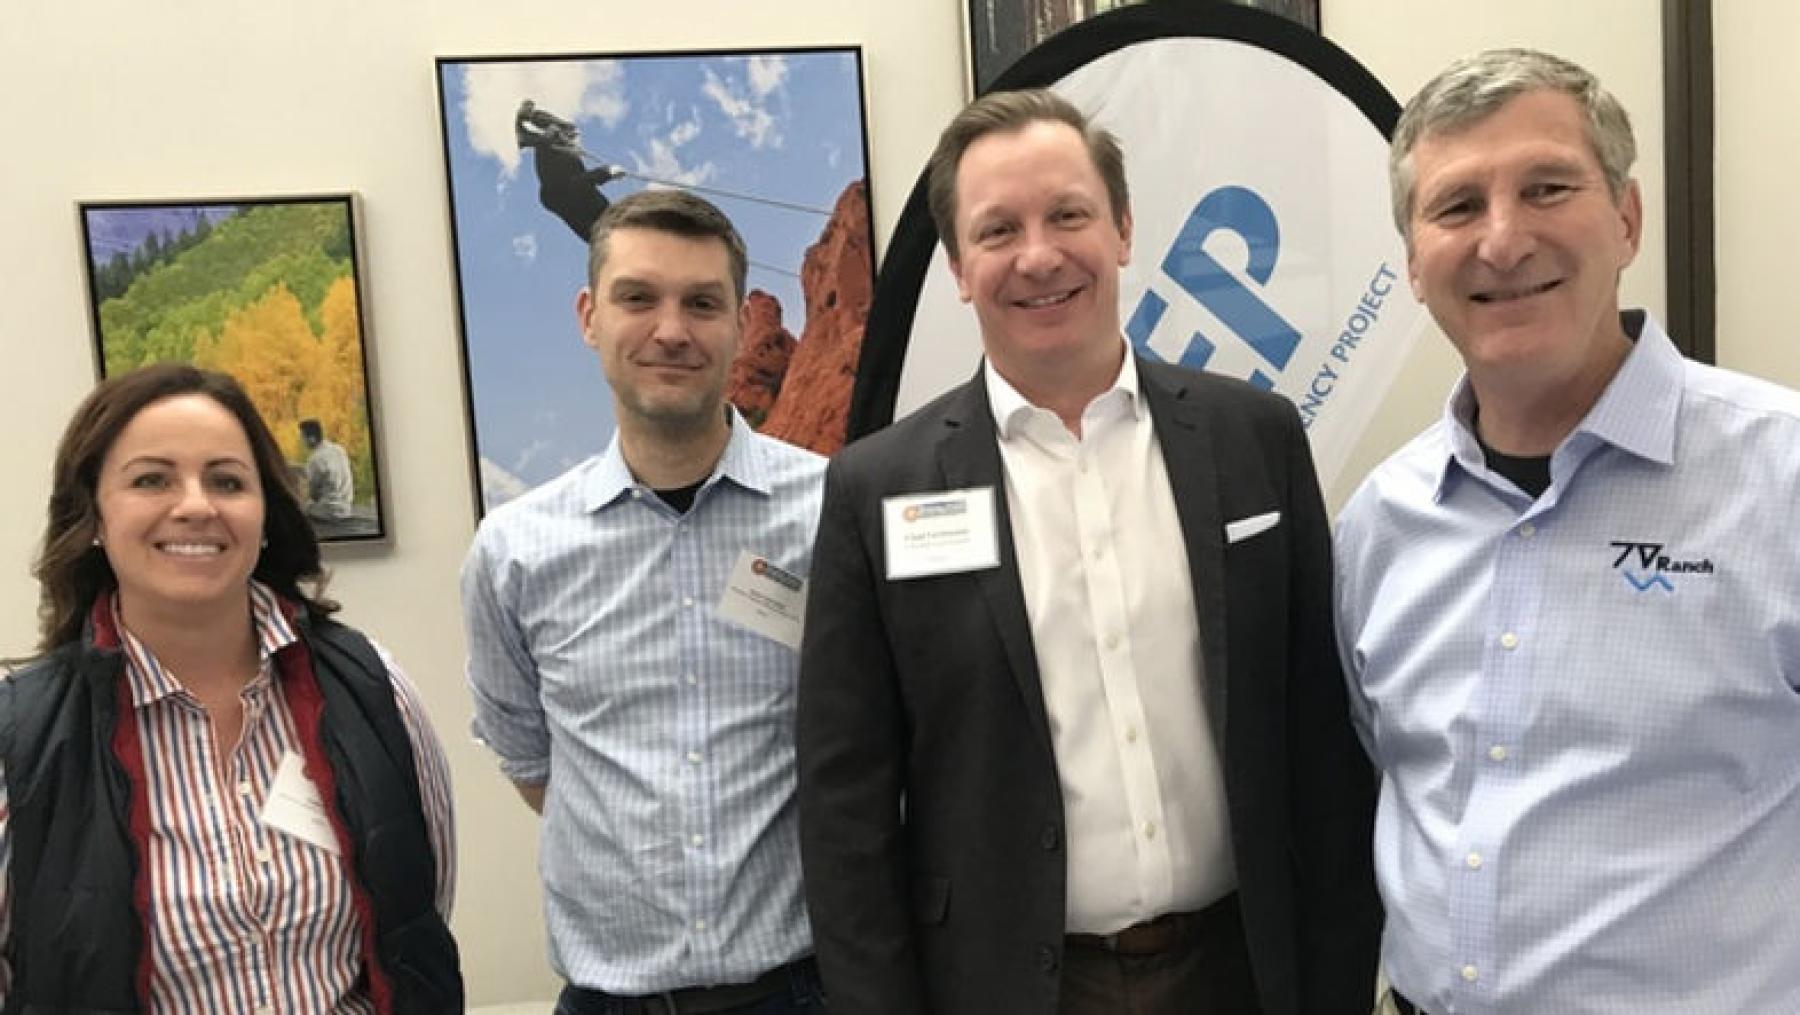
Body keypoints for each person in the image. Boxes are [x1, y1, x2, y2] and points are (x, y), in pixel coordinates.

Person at [796, 88, 1380, 1014]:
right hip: (1002, 986)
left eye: (1069, 214)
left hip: (1242, 971)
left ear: (1123, 228)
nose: (1039, 256)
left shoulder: (1254, 439)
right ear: (957, 266)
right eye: (998, 230)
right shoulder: (879, 488)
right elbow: (844, 810)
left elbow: (1323, 740)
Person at [1335, 48, 1800, 1013]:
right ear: (1414, 263)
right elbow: (1388, 777)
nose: (1503, 240)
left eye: (1547, 188)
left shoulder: (1782, 477)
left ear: (1626, 219)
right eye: (1458, 207)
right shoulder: (1379, 523)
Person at [461, 188, 829, 1013]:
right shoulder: (515, 552)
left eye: (702, 302)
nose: (671, 329)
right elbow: (532, 761)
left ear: (740, 321)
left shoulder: (831, 513)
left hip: (802, 992)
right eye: (638, 298)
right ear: (590, 315)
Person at [2, 363, 460, 1012]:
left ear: (266, 513)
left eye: (226, 480)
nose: (195, 504)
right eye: (152, 478)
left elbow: (417, 914)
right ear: (95, 517)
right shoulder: (21, 741)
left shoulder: (373, 688)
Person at [517, 99, 628, 243]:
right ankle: (530, 133)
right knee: (563, 134)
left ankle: (531, 134)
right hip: (563, 188)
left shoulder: (598, 221)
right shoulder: (604, 219)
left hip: (561, 191)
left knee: (552, 141)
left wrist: (607, 173)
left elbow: (578, 185)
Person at [299, 417, 355, 523]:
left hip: (329, 512)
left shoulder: (315, 459)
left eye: (302, 437)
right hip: (346, 508)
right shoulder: (339, 449)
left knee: (297, 509)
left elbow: (313, 495)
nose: (302, 441)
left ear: (311, 439)